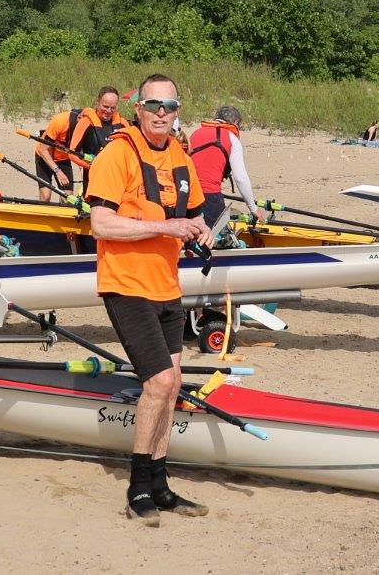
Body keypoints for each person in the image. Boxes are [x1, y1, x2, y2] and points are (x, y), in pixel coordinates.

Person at [85, 74, 213, 525]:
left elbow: (194, 211)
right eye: (153, 105)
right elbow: (100, 224)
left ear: (179, 111)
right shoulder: (116, 153)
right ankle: (138, 488)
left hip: (168, 287)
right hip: (125, 284)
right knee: (158, 382)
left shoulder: (181, 154)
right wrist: (165, 227)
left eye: (170, 106)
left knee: (173, 384)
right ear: (137, 108)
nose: (162, 113)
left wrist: (202, 228)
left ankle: (160, 485)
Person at [188, 105, 266, 231]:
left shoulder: (195, 133)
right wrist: (253, 208)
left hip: (187, 194)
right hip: (209, 196)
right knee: (216, 237)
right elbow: (240, 177)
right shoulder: (232, 138)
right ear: (235, 123)